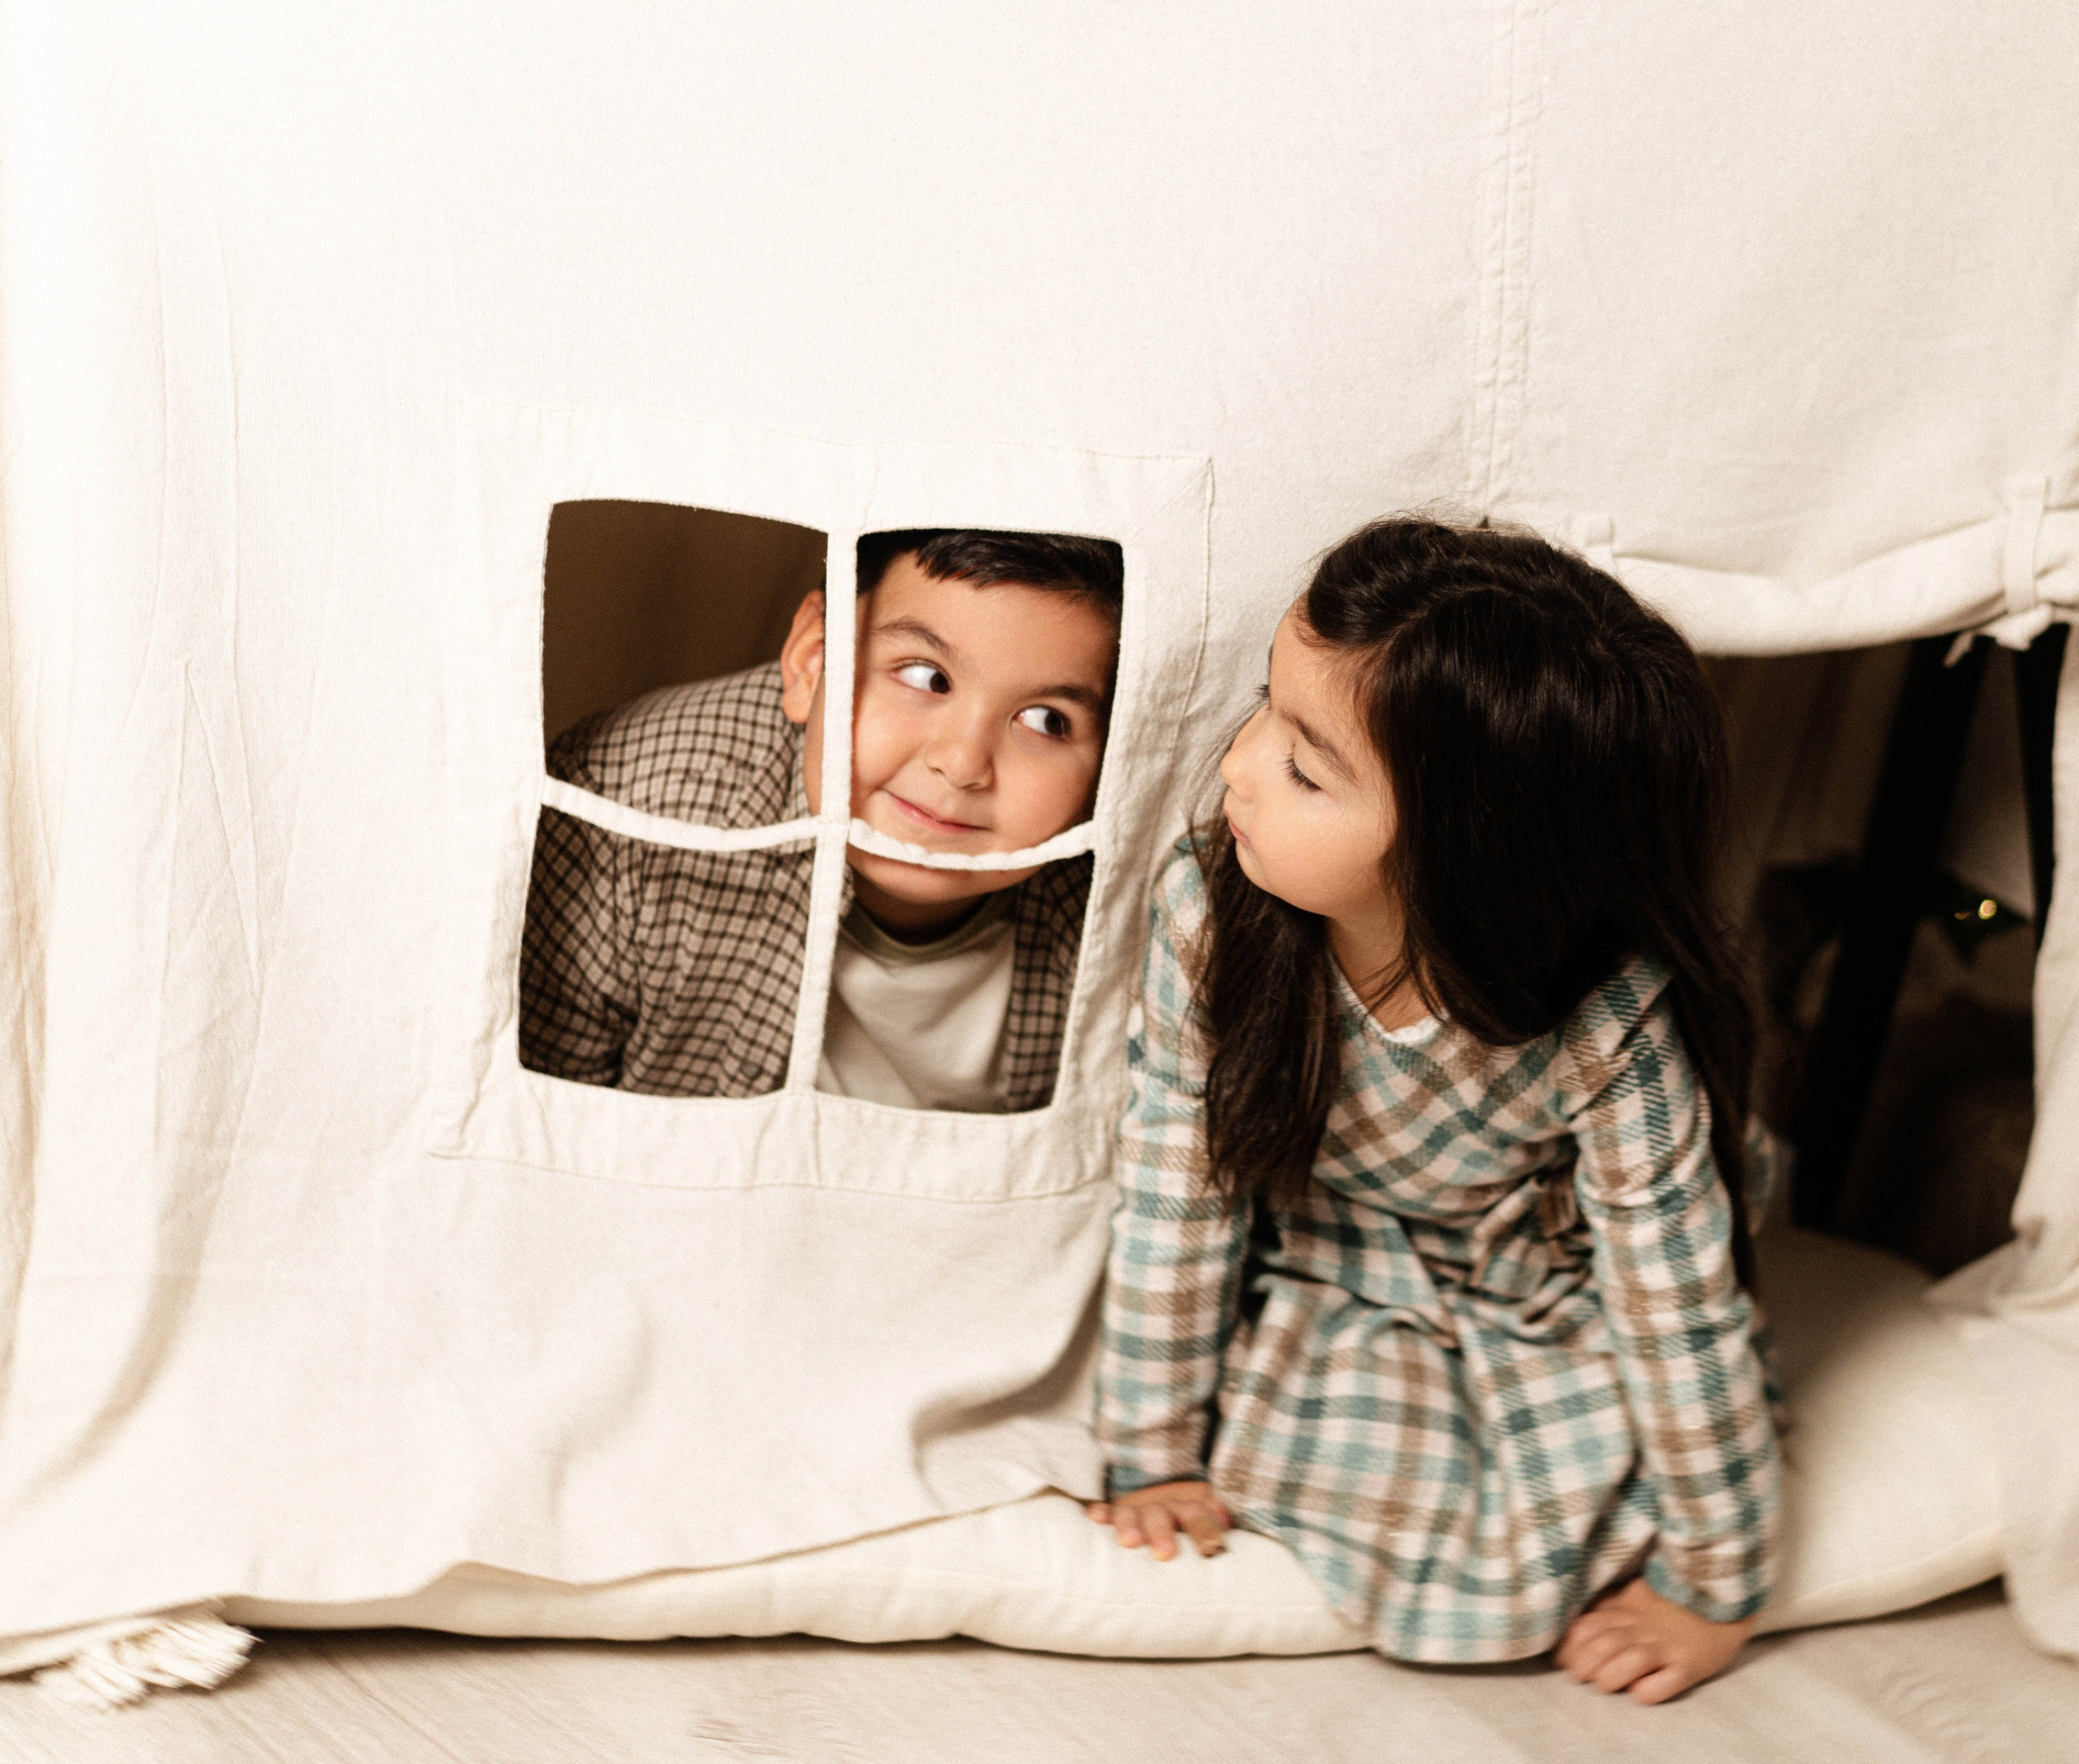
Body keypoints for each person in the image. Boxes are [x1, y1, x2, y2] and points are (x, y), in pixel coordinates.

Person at [1089, 518, 1780, 1701]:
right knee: (1325, 1445)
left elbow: (1673, 1298)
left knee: (1565, 1496)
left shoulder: (1605, 1018)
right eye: (1264, 709)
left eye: (1306, 768)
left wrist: (1716, 1576)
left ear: (1465, 856)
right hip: (1349, 1242)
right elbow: (1176, 1191)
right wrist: (1149, 1449)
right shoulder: (1211, 911)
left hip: (1540, 1264)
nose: (1238, 765)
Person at [520, 529, 1120, 1111]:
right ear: (812, 661)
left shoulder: (1128, 884)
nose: (962, 765)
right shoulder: (626, 801)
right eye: (925, 677)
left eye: (1047, 721)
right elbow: (537, 1126)